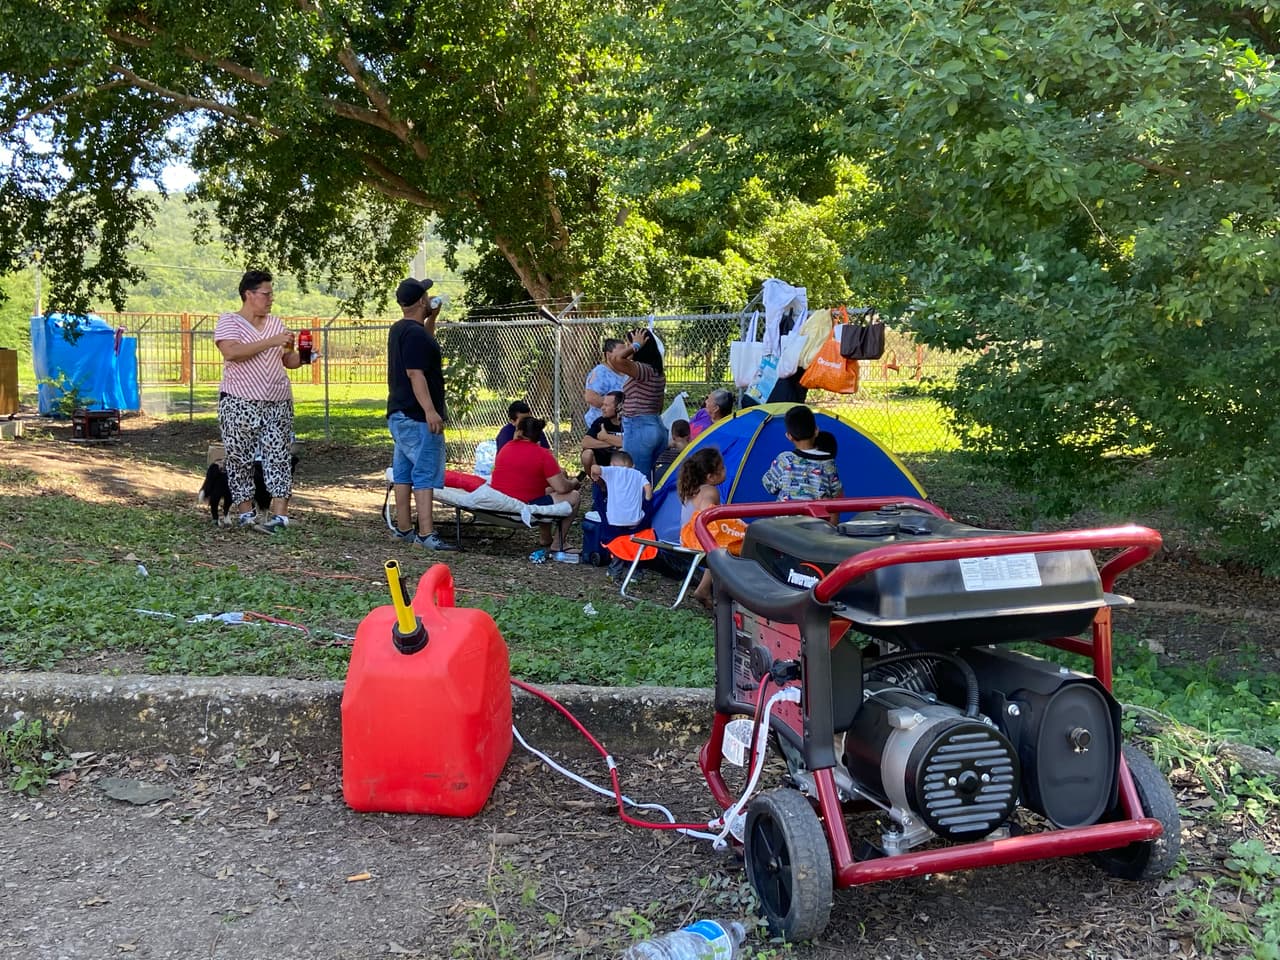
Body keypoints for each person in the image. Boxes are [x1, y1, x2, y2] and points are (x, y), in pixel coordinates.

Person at [214, 269, 301, 533]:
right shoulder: (229, 321)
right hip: (239, 400)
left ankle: (279, 516)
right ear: (249, 294)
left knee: (279, 455)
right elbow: (232, 352)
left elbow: (288, 361)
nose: (270, 298)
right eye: (266, 293)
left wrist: (305, 356)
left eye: (271, 293)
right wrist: (271, 341)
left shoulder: (277, 324)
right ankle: (246, 513)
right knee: (240, 457)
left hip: (277, 400)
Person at [385, 277, 456, 551]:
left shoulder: (402, 329)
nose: (429, 299)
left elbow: (423, 346)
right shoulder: (413, 334)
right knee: (425, 472)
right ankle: (427, 534)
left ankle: (404, 529)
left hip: (400, 413)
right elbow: (416, 373)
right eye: (426, 296)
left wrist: (432, 320)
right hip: (417, 416)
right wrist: (430, 411)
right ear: (420, 301)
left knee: (404, 473)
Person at [489, 415, 581, 563]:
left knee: (549, 492)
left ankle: (546, 538)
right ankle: (558, 542)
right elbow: (562, 488)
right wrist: (574, 482)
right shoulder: (543, 454)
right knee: (574, 496)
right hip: (523, 507)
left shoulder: (505, 448)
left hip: (501, 501)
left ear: (519, 432)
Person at [606, 327, 667, 479]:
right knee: (648, 480)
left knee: (637, 481)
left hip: (639, 428)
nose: (628, 348)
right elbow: (659, 405)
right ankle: (650, 503)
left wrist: (636, 344)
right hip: (655, 426)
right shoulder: (657, 372)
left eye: (629, 343)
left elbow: (615, 360)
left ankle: (643, 504)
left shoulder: (642, 370)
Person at [676, 447, 727, 608]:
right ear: (710, 477)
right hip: (698, 542)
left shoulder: (692, 489)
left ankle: (704, 588)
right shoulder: (710, 491)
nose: (726, 470)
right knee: (728, 547)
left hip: (685, 540)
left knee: (718, 546)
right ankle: (710, 591)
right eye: (722, 468)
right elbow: (705, 514)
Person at [590, 449, 653, 579]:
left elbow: (595, 468)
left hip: (615, 520)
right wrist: (647, 499)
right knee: (634, 545)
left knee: (617, 543)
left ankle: (614, 572)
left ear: (612, 464)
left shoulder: (612, 471)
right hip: (635, 521)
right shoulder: (638, 474)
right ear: (633, 465)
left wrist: (594, 475)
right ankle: (635, 574)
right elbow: (648, 488)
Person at [762, 405, 843, 502]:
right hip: (816, 517)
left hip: (786, 517)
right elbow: (837, 494)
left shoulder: (784, 460)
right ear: (816, 431)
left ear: (789, 436)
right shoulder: (828, 464)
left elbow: (769, 486)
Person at [583, 338, 627, 429]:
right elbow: (591, 398)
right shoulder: (600, 372)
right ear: (608, 354)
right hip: (602, 425)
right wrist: (615, 409)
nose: (625, 355)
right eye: (620, 352)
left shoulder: (626, 371)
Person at [580, 390, 624, 473]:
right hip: (602, 464)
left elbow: (630, 444)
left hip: (622, 465)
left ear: (619, 407)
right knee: (586, 454)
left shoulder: (628, 423)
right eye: (603, 404)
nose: (602, 408)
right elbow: (585, 443)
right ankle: (599, 483)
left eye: (606, 405)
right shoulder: (600, 422)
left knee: (622, 450)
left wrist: (605, 437)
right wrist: (614, 442)